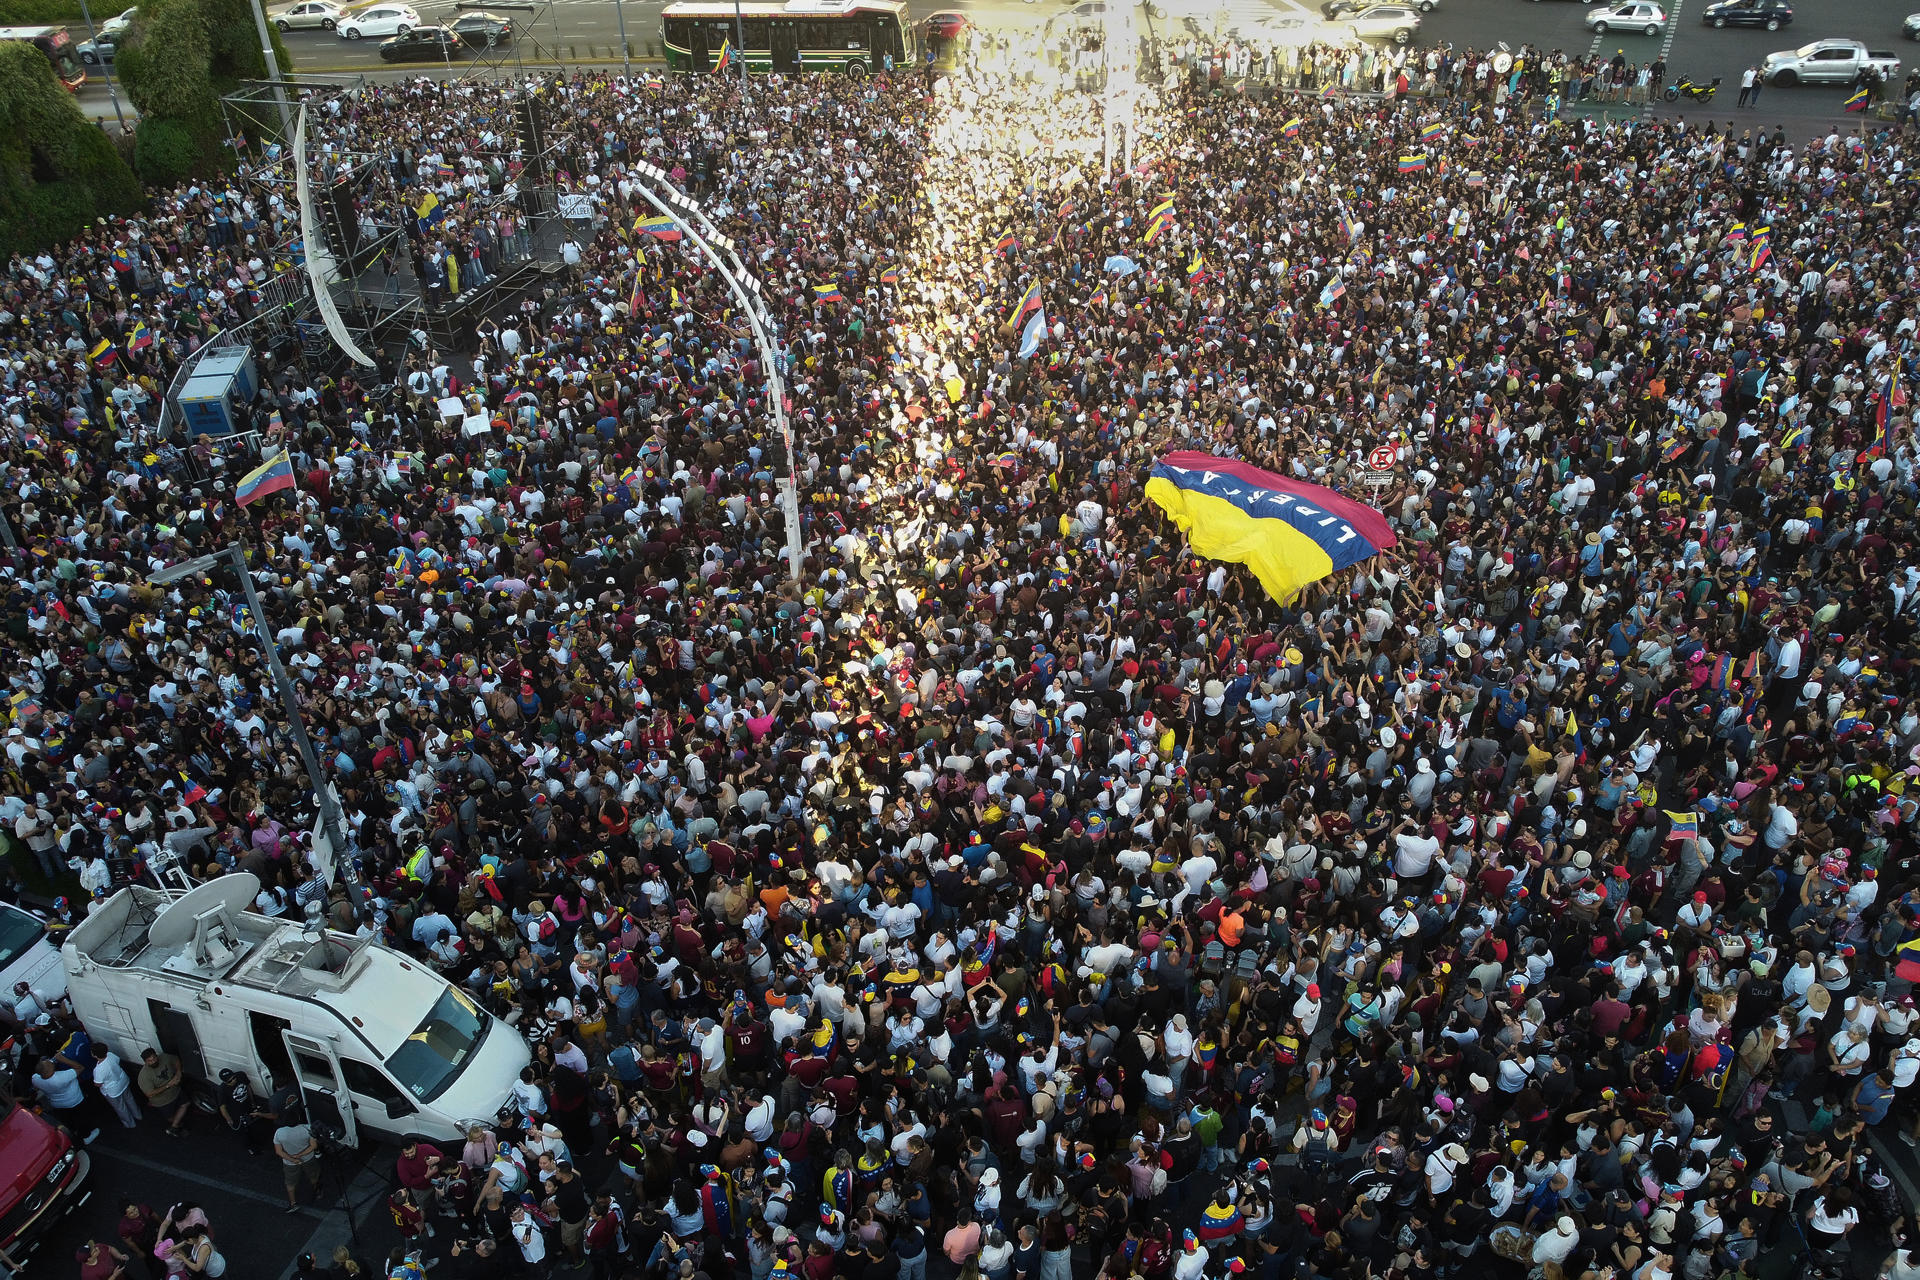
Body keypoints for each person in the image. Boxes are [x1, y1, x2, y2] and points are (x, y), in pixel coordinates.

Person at [273, 1111, 323, 1213]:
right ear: (299, 1118)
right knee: (313, 1176)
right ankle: (317, 1192)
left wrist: (293, 1159)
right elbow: (313, 1146)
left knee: (290, 1183)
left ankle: (293, 1204)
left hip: (290, 1163)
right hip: (308, 1158)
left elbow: (278, 1151)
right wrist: (300, 1155)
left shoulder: (279, 1132)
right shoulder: (308, 1128)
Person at [137, 1048, 190, 1136]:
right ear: (145, 1062)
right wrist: (168, 1085)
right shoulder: (144, 1076)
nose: (153, 1061)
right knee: (170, 1117)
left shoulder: (164, 1057)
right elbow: (149, 1093)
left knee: (186, 1103)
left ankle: (174, 1126)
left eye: (154, 1058)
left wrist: (178, 1072)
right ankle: (175, 1125)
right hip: (162, 1101)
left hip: (175, 1091)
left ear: (156, 1055)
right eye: (149, 1061)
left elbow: (176, 1059)